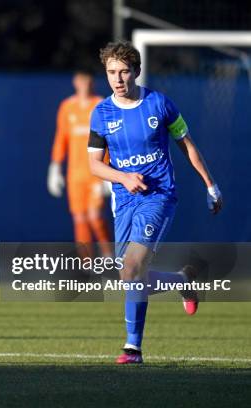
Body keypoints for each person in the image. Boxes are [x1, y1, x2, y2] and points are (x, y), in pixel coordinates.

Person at [87, 41, 223, 364]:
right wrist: (123, 178)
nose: (117, 79)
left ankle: (132, 348)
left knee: (133, 268)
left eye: (123, 71)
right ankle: (184, 281)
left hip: (159, 196)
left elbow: (187, 145)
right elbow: (94, 164)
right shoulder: (101, 113)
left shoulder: (159, 104)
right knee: (129, 275)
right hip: (124, 200)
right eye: (111, 72)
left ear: (136, 70)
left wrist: (210, 184)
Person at [48, 70, 112, 259]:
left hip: (96, 171)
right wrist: (55, 167)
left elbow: (108, 139)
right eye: (81, 80)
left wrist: (108, 172)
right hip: (75, 175)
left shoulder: (100, 104)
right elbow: (62, 138)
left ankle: (109, 256)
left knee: (95, 216)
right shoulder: (67, 107)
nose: (84, 84)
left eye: (88, 80)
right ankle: (86, 263)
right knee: (79, 218)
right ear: (75, 81)